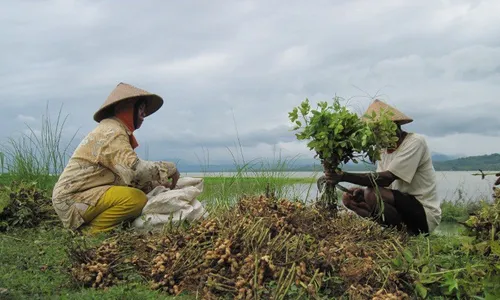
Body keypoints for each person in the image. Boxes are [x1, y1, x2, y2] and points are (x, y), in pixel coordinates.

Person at [52, 82, 180, 234]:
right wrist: (170, 168)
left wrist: (156, 183)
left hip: (80, 196)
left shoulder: (113, 130)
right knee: (135, 199)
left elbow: (129, 178)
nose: (143, 115)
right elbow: (136, 172)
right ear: (125, 108)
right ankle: (90, 234)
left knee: (139, 193)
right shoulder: (112, 132)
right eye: (140, 108)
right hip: (73, 199)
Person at [319, 99, 441, 235]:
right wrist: (361, 191)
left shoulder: (415, 142)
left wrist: (344, 176)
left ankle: (403, 234)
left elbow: (385, 179)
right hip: (402, 208)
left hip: (424, 214)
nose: (375, 134)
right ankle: (394, 230)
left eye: (378, 129)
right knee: (349, 199)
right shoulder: (382, 151)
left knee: (372, 193)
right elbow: (381, 185)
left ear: (393, 126)